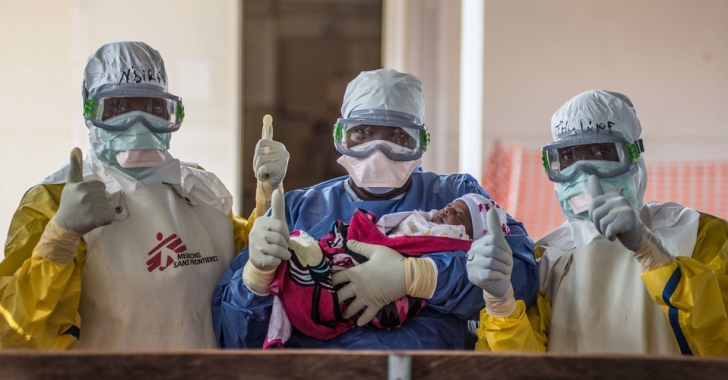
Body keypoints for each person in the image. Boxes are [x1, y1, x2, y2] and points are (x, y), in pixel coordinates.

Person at [212, 69, 539, 350]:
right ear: (341, 137)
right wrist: (255, 279)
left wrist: (421, 277)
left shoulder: (458, 197)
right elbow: (233, 338)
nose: (379, 151)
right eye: (363, 134)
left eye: (398, 136)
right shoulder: (297, 209)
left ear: (421, 143)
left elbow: (522, 276)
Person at [0, 41, 289, 350]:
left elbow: (247, 275)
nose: (137, 123)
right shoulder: (54, 200)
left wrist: (267, 201)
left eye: (152, 108)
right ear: (90, 113)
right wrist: (59, 239)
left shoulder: (201, 189)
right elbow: (14, 330)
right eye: (117, 109)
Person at [468, 90, 728, 356]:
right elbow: (517, 369)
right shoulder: (546, 256)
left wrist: (652, 253)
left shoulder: (698, 232)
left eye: (601, 153)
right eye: (568, 158)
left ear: (634, 158)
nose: (584, 174)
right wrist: (501, 303)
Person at [262, 193, 511, 348]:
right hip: (365, 258)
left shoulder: (460, 248)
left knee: (319, 280)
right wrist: (257, 273)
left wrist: (415, 274)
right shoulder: (301, 202)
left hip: (389, 294)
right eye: (449, 206)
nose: (447, 210)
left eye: (458, 215)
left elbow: (520, 274)